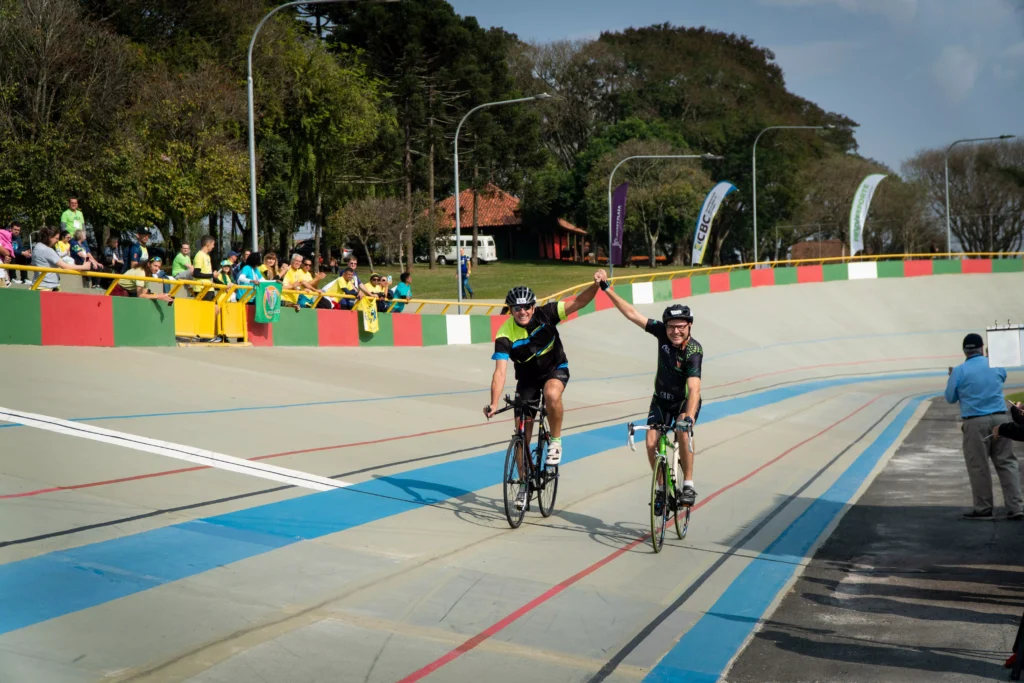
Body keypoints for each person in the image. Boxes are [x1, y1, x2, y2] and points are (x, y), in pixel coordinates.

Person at [483, 279, 601, 510]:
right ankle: (525, 484)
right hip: (527, 379)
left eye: (526, 306)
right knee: (520, 435)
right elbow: (499, 373)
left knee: (551, 394)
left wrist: (597, 284)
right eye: (516, 308)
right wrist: (493, 403)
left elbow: (579, 302)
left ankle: (555, 442)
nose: (522, 312)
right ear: (510, 310)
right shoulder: (505, 334)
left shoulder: (547, 313)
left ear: (533, 307)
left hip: (555, 368)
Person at [596, 271, 703, 509]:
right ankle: (662, 488)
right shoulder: (660, 333)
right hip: (661, 399)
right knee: (651, 442)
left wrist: (687, 416)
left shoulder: (694, 351)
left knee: (683, 434)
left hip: (685, 402)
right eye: (671, 327)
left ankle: (688, 484)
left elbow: (694, 389)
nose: (675, 331)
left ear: (689, 326)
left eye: (681, 327)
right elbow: (632, 314)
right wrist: (606, 288)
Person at [945, 333, 1023, 520]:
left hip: (975, 422)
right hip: (1000, 418)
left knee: (978, 466)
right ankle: (1016, 506)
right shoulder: (995, 365)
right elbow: (1001, 378)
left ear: (965, 351)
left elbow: (950, 398)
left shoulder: (959, 370)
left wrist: (953, 378)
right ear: (982, 347)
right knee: (1006, 462)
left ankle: (984, 508)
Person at [31, 226, 92, 291]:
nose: (57, 241)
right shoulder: (47, 250)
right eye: (56, 238)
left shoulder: (37, 247)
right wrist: (84, 267)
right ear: (49, 237)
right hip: (47, 287)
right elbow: (65, 266)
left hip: (38, 285)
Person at [192, 235, 216, 300]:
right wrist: (212, 275)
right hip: (201, 288)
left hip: (209, 287)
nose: (213, 247)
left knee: (215, 309)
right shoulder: (199, 255)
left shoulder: (207, 256)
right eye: (212, 244)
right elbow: (196, 274)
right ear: (208, 244)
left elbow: (209, 274)